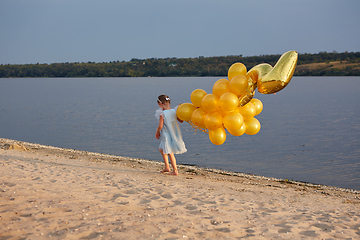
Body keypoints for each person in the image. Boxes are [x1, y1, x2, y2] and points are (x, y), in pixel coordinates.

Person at [155, 94, 187, 175]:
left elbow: (160, 126)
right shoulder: (174, 111)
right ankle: (167, 167)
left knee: (170, 152)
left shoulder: (162, 113)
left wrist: (157, 132)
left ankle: (175, 170)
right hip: (174, 133)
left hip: (166, 135)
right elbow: (181, 121)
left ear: (160, 104)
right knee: (162, 150)